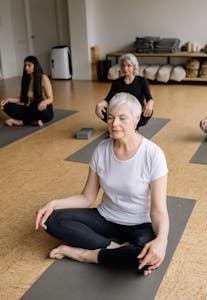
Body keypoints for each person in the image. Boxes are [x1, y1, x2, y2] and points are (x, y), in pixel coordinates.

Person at [36, 92, 169, 276]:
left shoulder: (153, 155)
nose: (114, 124)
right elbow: (87, 197)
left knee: (148, 257)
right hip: (106, 217)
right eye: (111, 117)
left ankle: (83, 254)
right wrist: (53, 204)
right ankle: (116, 250)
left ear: (137, 119)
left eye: (123, 118)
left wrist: (162, 241)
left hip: (140, 224)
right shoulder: (101, 150)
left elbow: (158, 211)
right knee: (51, 219)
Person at [95, 53, 154, 129]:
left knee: (150, 110)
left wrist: (150, 103)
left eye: (128, 66)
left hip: (136, 112)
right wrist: (99, 104)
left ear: (134, 67)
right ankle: (123, 123)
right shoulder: (117, 82)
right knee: (103, 109)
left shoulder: (142, 81)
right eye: (123, 65)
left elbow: (149, 98)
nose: (125, 68)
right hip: (122, 111)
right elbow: (108, 99)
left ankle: (133, 124)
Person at [1, 56, 54, 127]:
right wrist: (8, 100)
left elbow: (51, 98)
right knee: (5, 106)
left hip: (43, 108)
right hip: (31, 109)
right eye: (25, 65)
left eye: (29, 65)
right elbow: (23, 98)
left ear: (35, 65)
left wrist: (44, 102)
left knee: (42, 111)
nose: (26, 68)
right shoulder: (26, 79)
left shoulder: (43, 78)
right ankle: (34, 121)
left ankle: (19, 122)